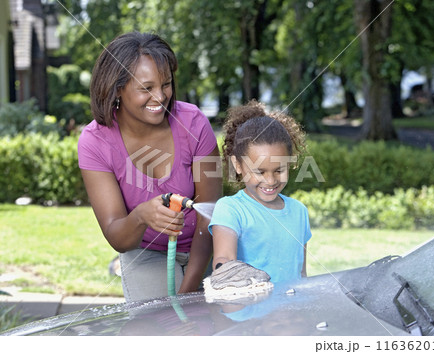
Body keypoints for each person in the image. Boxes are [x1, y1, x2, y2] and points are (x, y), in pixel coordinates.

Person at [78, 32, 222, 302]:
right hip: (147, 254)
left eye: (165, 84)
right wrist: (141, 216)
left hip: (210, 247)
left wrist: (187, 294)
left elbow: (210, 216)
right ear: (116, 87)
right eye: (146, 88)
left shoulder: (193, 123)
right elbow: (117, 237)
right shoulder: (95, 142)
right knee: (157, 334)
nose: (160, 96)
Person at [208, 100, 311, 284]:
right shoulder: (230, 209)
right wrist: (223, 269)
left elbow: (301, 274)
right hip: (248, 311)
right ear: (237, 165)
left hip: (290, 311)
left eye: (279, 170)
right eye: (259, 172)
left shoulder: (299, 211)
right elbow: (224, 260)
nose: (270, 181)